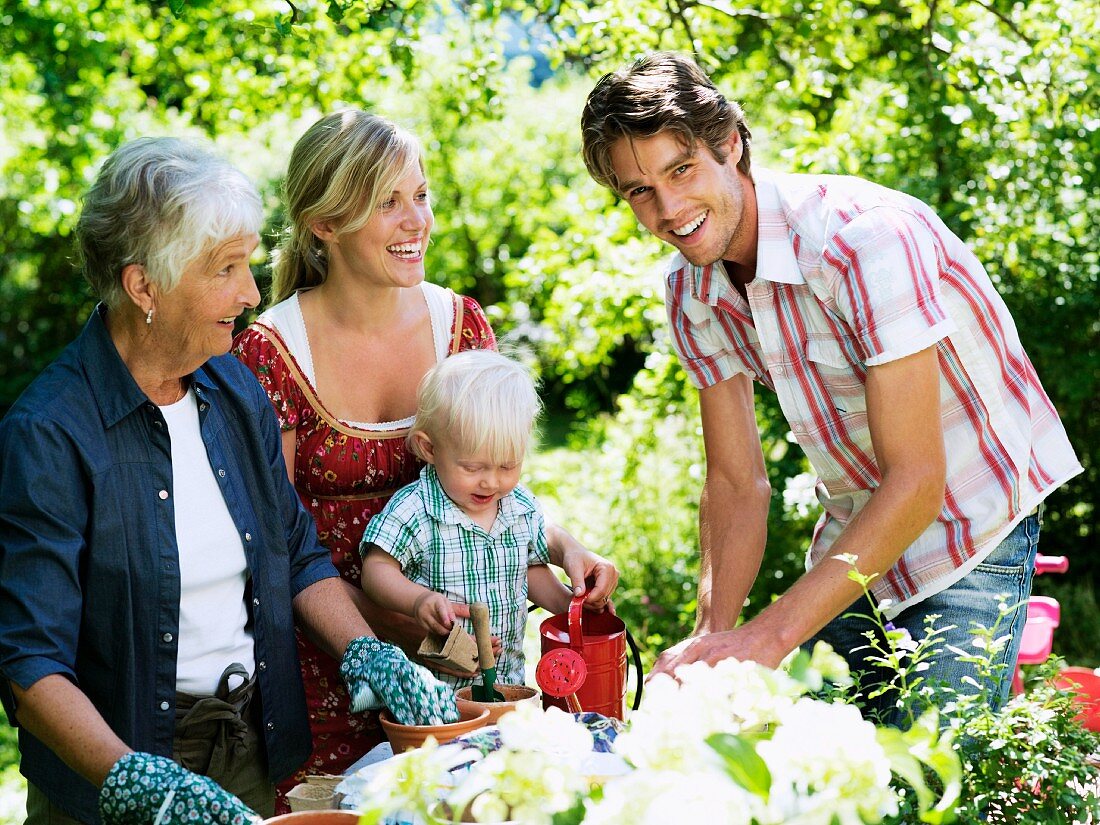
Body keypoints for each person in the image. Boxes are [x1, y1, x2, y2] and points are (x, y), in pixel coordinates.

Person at [580, 52, 1082, 722]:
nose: (669, 209)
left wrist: (769, 634)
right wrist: (713, 637)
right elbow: (735, 482)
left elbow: (917, 480)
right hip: (858, 527)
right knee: (811, 759)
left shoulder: (863, 241)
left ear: (730, 144)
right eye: (639, 190)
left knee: (929, 775)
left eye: (682, 168)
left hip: (974, 518)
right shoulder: (689, 291)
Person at [0, 137, 461, 825]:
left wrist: (368, 653)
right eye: (225, 269)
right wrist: (132, 777)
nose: (250, 293)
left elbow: (295, 551)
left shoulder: (232, 387)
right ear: (143, 286)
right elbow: (28, 660)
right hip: (114, 776)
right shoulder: (50, 432)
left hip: (245, 750)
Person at [233, 109, 618, 798]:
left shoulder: (462, 324)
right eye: (388, 202)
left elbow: (491, 493)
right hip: (327, 670)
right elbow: (272, 544)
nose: (418, 221)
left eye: (421, 194)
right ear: (325, 223)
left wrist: (560, 555)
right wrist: (383, 646)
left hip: (463, 669)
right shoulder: (271, 350)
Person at [361, 349, 578, 688]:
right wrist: (417, 600)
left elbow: (529, 570)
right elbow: (376, 571)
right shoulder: (416, 510)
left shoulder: (517, 506)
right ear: (429, 449)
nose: (491, 481)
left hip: (507, 683)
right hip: (436, 691)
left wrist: (569, 605)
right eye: (473, 468)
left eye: (507, 466)